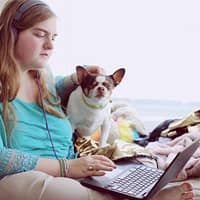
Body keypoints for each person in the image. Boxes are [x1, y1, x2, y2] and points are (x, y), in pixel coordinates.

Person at [0, 0, 195, 200]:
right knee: (32, 184)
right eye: (40, 35)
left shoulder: (41, 73)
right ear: (11, 33)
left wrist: (77, 79)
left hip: (70, 169)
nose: (50, 45)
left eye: (54, 37)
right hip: (25, 178)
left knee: (125, 167)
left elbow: (55, 90)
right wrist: (66, 168)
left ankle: (126, 191)